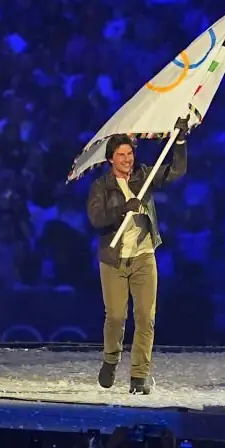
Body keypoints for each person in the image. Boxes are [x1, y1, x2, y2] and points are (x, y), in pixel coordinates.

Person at [86, 117, 189, 394]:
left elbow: (176, 170)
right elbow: (96, 219)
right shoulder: (101, 187)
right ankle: (110, 358)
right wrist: (122, 209)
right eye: (121, 155)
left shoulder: (144, 175)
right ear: (111, 159)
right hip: (114, 259)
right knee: (117, 316)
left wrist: (178, 141)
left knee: (145, 316)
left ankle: (139, 375)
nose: (127, 159)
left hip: (144, 256)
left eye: (130, 154)